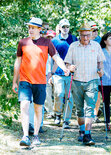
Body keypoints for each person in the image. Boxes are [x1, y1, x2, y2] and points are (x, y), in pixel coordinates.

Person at [12, 17, 70, 146]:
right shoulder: (23, 42)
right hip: (25, 81)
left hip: (40, 81)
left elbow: (56, 57)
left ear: (39, 29)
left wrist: (64, 68)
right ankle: (25, 136)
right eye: (29, 27)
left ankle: (36, 135)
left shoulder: (47, 43)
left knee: (38, 109)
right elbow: (18, 62)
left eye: (33, 28)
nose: (30, 30)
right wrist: (14, 81)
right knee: (24, 106)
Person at [64, 22, 105, 146]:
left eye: (87, 35)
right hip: (77, 80)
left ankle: (88, 134)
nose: (85, 38)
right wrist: (69, 67)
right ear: (79, 35)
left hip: (92, 80)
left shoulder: (96, 46)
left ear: (91, 34)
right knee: (80, 109)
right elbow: (67, 63)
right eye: (83, 36)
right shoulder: (73, 46)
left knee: (90, 108)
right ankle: (81, 131)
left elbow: (100, 62)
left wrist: (101, 70)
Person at [50, 19, 78, 128]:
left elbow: (77, 55)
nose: (65, 29)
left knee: (69, 97)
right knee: (59, 94)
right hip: (58, 72)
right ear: (60, 28)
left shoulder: (74, 39)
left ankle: (66, 119)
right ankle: (57, 114)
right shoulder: (55, 41)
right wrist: (50, 74)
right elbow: (51, 58)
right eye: (63, 27)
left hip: (70, 73)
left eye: (67, 27)